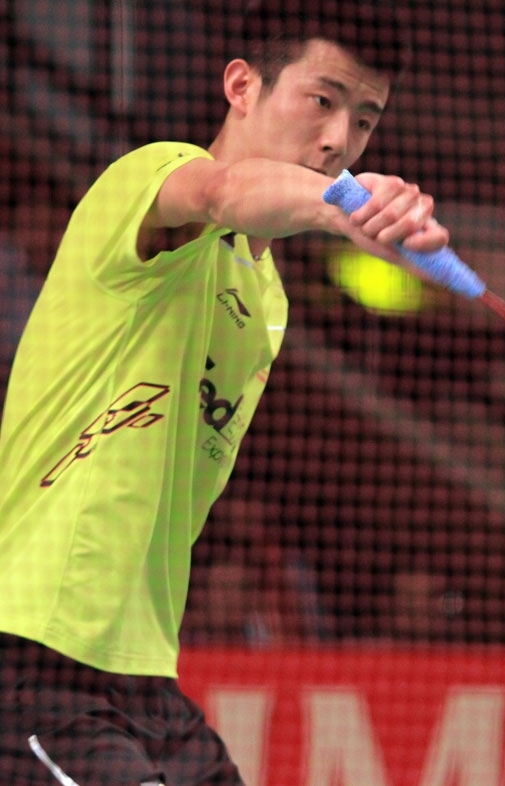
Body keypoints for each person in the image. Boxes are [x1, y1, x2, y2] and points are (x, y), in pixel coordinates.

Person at [0, 2, 450, 784]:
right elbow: (219, 193)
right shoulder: (150, 180)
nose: (339, 140)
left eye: (364, 120)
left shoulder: (264, 296)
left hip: (140, 672)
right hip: (35, 651)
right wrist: (346, 204)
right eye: (322, 100)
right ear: (242, 87)